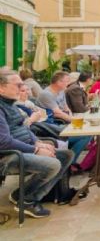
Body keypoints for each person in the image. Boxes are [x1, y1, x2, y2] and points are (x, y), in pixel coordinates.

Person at [0, 69, 74, 217]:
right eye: (18, 85)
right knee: (53, 164)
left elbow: (25, 128)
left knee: (66, 155)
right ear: (1, 88)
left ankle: (22, 195)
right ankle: (27, 199)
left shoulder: (11, 104)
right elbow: (4, 142)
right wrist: (34, 149)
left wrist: (39, 143)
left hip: (22, 150)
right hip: (8, 156)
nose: (22, 88)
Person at [36, 71, 92, 164]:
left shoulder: (61, 91)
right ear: (59, 82)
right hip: (51, 126)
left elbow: (66, 108)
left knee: (86, 131)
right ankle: (69, 162)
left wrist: (73, 121)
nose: (69, 83)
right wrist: (76, 121)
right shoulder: (46, 94)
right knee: (86, 134)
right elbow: (58, 113)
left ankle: (69, 158)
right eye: (67, 81)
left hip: (62, 122)